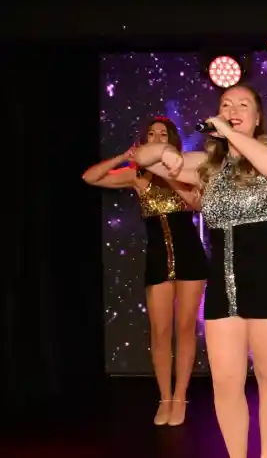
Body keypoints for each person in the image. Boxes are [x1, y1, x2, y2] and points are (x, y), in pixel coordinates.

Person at [134, 83, 267, 458]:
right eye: (226, 104)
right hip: (224, 281)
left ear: (257, 116)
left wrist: (230, 133)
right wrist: (168, 151)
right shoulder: (206, 166)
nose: (232, 108)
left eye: (242, 104)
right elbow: (144, 158)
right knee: (226, 382)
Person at [82, 116, 208, 427]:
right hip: (157, 258)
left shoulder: (186, 171)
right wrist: (124, 157)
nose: (155, 137)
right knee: (160, 331)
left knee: (184, 328)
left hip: (190, 256)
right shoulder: (136, 176)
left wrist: (174, 175)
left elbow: (200, 205)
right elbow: (90, 177)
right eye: (150, 133)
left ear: (171, 141)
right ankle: (164, 397)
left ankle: (181, 397)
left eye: (162, 134)